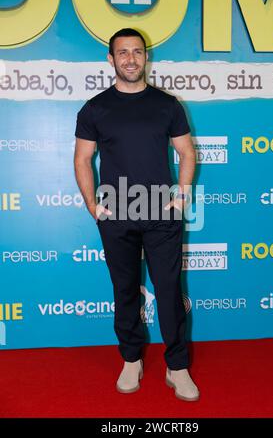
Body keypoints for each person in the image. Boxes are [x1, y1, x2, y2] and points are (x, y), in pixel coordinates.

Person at [74, 28, 199, 402]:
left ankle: (177, 367)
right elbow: (82, 160)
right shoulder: (95, 108)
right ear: (111, 60)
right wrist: (93, 206)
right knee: (124, 290)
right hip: (116, 211)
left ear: (146, 57)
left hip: (161, 211)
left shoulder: (167, 104)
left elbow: (187, 153)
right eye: (123, 53)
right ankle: (131, 359)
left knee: (169, 291)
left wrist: (182, 195)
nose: (131, 58)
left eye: (138, 52)